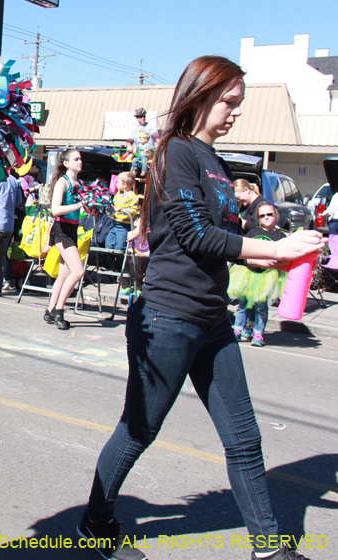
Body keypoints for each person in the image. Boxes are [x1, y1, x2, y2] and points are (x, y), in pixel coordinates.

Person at [77, 56, 323, 560]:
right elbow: (194, 235)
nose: (235, 113)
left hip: (212, 318)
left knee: (245, 438)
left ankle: (270, 548)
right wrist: (277, 251)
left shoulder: (218, 162)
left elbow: (226, 235)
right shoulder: (177, 152)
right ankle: (94, 523)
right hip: (167, 316)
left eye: (240, 104)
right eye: (229, 102)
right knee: (139, 430)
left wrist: (276, 244)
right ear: (201, 95)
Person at [228, 202, 287, 347]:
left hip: (266, 276)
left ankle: (258, 333)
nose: (266, 217)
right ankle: (238, 329)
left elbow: (284, 254)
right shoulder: (253, 232)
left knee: (261, 307)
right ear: (258, 219)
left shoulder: (280, 235)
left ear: (276, 215)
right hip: (248, 272)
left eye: (269, 214)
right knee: (242, 304)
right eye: (262, 215)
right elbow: (245, 248)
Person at [44, 149, 86, 329]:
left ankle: (50, 309)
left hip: (72, 228)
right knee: (78, 271)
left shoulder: (80, 183)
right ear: (66, 163)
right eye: (76, 159)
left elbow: (81, 208)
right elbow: (55, 209)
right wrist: (79, 204)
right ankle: (58, 311)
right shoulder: (63, 181)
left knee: (64, 274)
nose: (80, 162)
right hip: (61, 230)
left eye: (81, 159)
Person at [105, 172, 139, 251]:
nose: (116, 184)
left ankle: (119, 263)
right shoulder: (118, 195)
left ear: (125, 185)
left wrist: (122, 210)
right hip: (114, 223)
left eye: (118, 182)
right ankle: (109, 262)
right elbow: (114, 207)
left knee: (120, 247)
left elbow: (133, 211)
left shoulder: (132, 196)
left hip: (124, 226)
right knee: (108, 244)